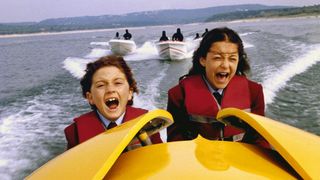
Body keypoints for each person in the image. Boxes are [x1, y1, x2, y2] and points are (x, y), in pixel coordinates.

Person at [167, 27, 269, 148]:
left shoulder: (254, 91)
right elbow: (175, 140)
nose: (225, 65)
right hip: (197, 160)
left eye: (232, 59)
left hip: (242, 160)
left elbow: (260, 138)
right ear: (203, 60)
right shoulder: (178, 94)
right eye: (217, 58)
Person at [64, 55, 162, 149]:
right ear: (90, 97)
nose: (110, 89)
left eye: (118, 83)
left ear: (130, 93)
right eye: (101, 85)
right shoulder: (74, 132)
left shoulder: (148, 122)